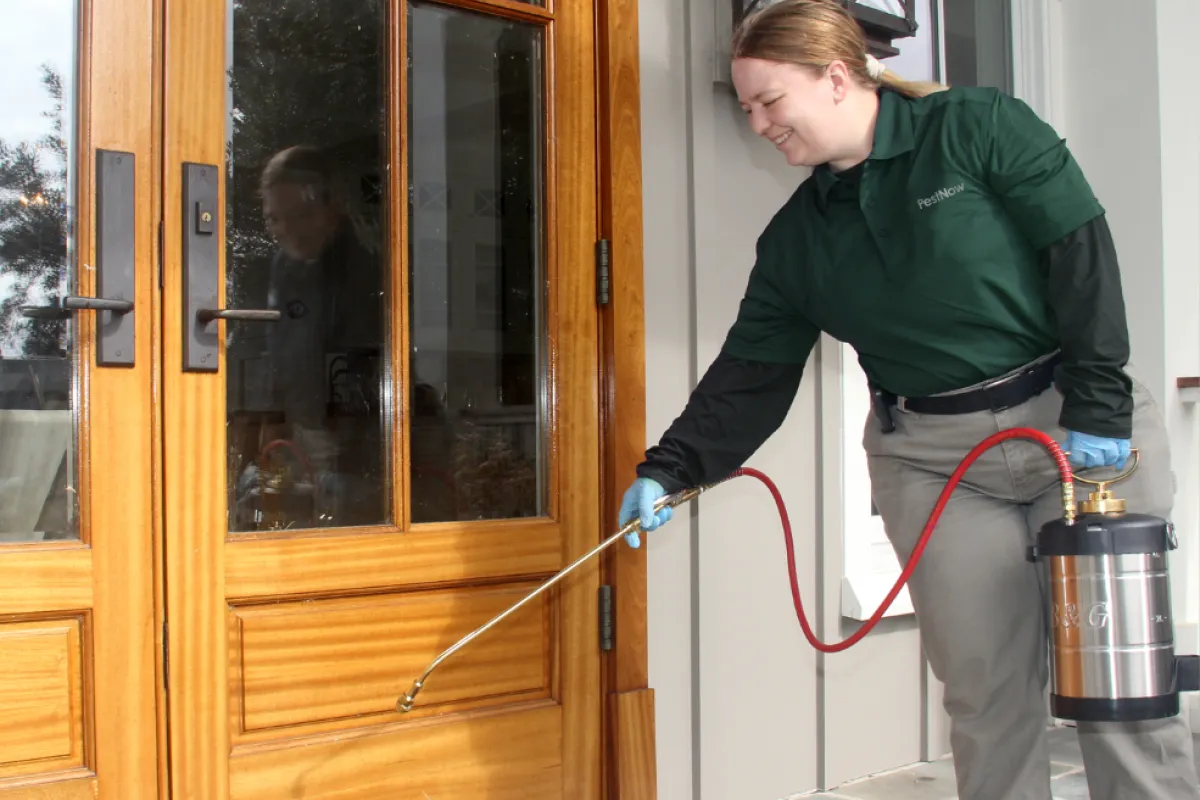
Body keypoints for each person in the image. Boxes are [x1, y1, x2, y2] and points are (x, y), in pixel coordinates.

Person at [617, 1, 1200, 798]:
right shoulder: (798, 240)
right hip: (933, 463)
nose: (757, 124)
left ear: (832, 78)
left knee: (1118, 695)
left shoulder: (977, 127)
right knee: (986, 696)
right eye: (746, 107)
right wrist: (671, 467)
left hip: (1072, 427)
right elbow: (751, 374)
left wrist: (1098, 403)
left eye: (769, 102)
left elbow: (1080, 253)